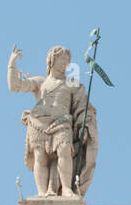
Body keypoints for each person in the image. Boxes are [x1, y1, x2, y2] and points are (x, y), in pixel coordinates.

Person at [8, 45, 96, 196]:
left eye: (67, 61)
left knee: (64, 151)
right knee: (40, 157)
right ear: (52, 60)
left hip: (62, 123)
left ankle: (66, 189)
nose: (65, 63)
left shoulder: (72, 84)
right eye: (61, 59)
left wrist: (84, 123)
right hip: (38, 123)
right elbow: (15, 86)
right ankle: (42, 193)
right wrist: (12, 64)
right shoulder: (40, 82)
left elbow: (82, 105)